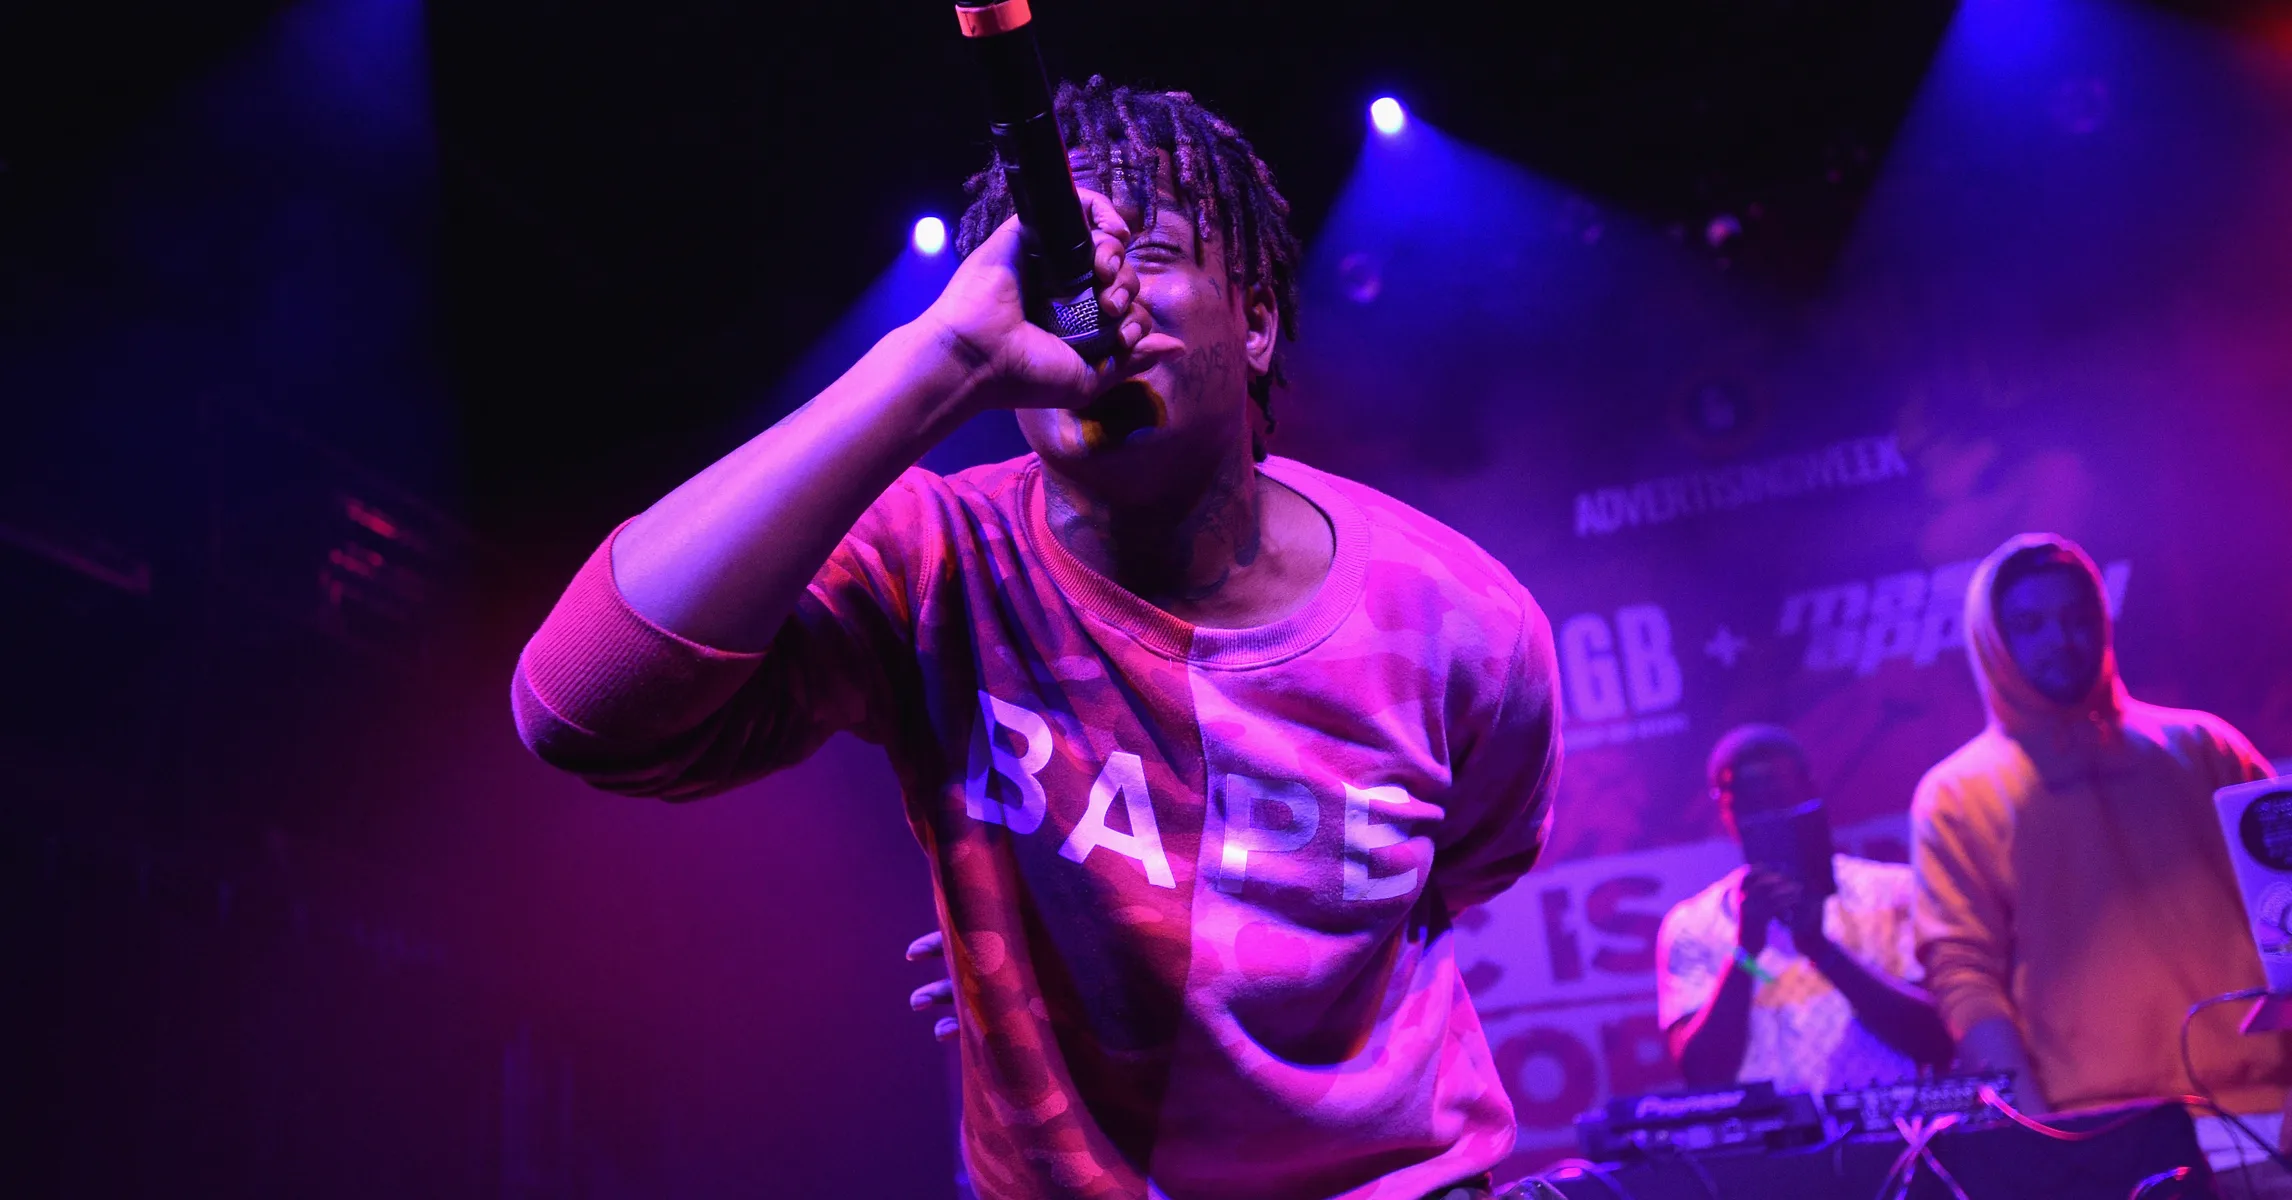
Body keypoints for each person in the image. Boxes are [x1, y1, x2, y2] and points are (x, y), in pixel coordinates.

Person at [510, 78, 1560, 1200]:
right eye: (1059, 267)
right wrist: (941, 359)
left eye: (1147, 253)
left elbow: (1467, 867)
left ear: (1254, 323)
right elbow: (579, 707)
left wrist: (1170, 963)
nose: (1097, 297)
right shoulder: (934, 559)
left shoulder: (1460, 622)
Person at [1912, 534, 2288, 1168]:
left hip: (2271, 1111)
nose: (2060, 639)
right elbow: (1965, 977)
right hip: (2105, 1136)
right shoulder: (1954, 796)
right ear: (1992, 639)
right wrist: (2044, 1138)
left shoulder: (2207, 746)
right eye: (2030, 624)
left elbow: (2286, 911)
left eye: (2076, 617)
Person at [1656, 725, 1952, 1092]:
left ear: (1809, 790)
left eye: (1777, 796)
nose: (1767, 815)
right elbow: (1704, 1075)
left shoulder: (1892, 893)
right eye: (1748, 804)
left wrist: (1821, 949)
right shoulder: (1693, 926)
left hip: (1894, 1124)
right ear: (1724, 812)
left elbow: (1939, 1039)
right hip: (1771, 1131)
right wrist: (1746, 951)